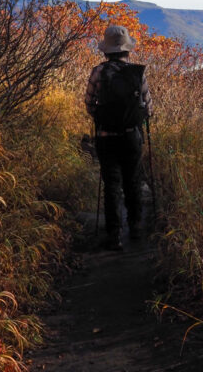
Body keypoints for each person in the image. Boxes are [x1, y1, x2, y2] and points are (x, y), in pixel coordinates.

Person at [85, 24, 153, 250]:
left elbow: (89, 102)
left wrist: (100, 117)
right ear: (127, 50)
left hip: (106, 136)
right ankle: (135, 228)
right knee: (132, 181)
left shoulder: (98, 72)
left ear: (106, 50)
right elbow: (148, 107)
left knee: (111, 184)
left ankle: (114, 235)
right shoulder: (138, 73)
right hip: (132, 137)